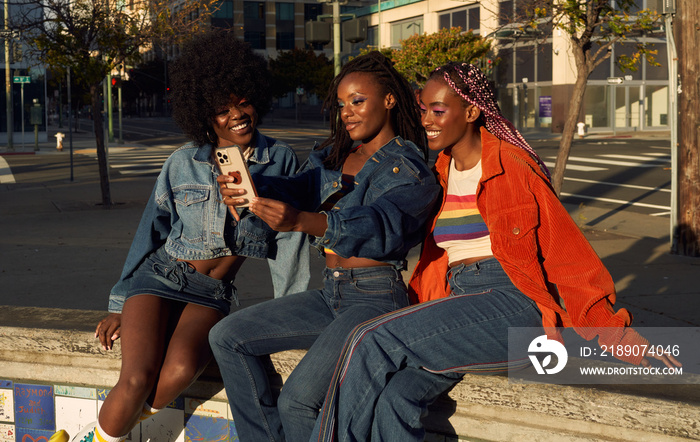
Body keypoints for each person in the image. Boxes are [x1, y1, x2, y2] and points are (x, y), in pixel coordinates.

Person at [310, 62, 682, 442]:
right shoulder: (438, 172)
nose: (427, 120)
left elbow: (567, 257)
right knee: (396, 395)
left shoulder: (511, 166)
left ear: (471, 112)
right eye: (423, 109)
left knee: (368, 338)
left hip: (512, 304)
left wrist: (618, 337)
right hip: (458, 304)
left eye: (439, 110)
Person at [58, 32, 309, 442]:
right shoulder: (182, 162)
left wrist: (289, 313)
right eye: (222, 109)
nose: (237, 114)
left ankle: (97, 433)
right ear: (204, 115)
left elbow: (290, 242)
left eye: (243, 101)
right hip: (160, 278)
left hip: (212, 293)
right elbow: (149, 233)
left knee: (177, 373)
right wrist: (120, 303)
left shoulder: (279, 160)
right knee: (136, 379)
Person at [208, 51, 441, 442]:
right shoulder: (334, 154)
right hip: (331, 292)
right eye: (341, 104)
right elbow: (298, 188)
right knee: (226, 337)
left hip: (376, 299)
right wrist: (252, 191)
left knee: (299, 400)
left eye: (358, 101)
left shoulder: (410, 167)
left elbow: (382, 226)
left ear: (389, 100)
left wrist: (301, 221)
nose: (347, 112)